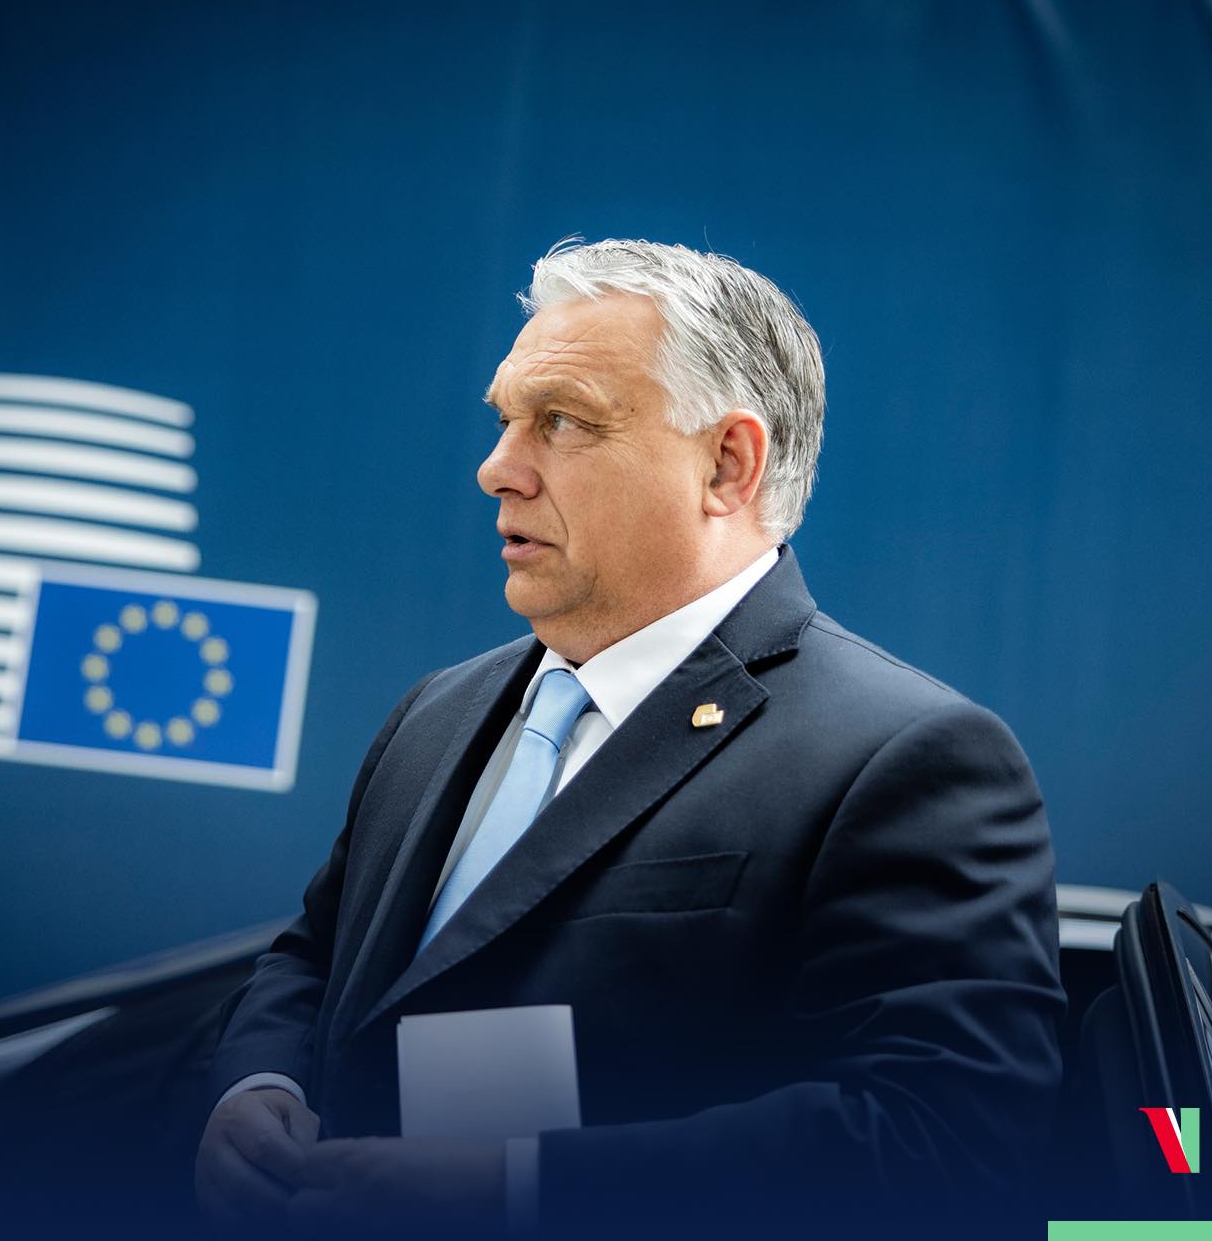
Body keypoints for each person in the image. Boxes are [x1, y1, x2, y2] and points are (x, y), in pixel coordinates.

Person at [193, 239, 1063, 1237]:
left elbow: (940, 1140)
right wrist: (256, 1086)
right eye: (505, 420)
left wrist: (514, 1189)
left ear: (727, 464)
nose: (496, 469)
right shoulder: (438, 710)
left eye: (563, 421)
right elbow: (314, 956)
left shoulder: (907, 757)